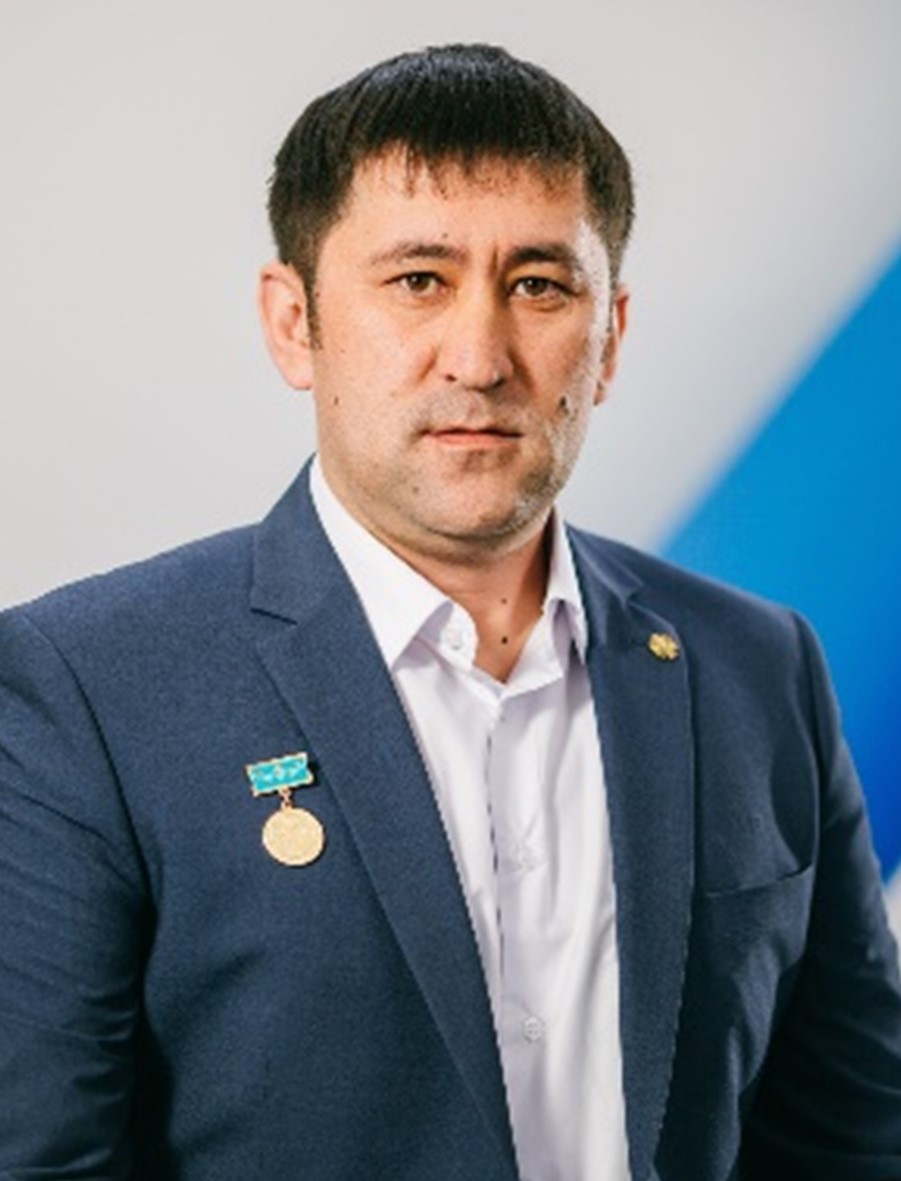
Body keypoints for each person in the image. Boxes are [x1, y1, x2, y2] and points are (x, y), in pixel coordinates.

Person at [1, 43, 899, 1181]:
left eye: (538, 285)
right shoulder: (87, 689)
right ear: (294, 322)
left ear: (609, 337)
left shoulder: (756, 667)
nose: (478, 358)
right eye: (419, 280)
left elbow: (851, 1135)